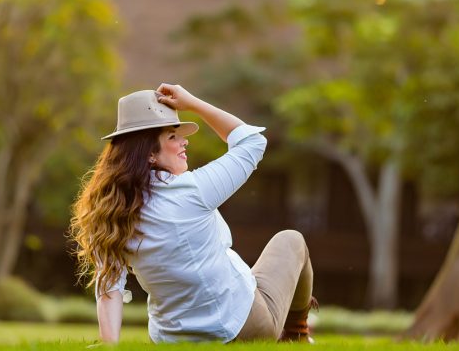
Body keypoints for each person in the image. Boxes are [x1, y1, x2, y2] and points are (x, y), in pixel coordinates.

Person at [70, 84, 316, 344]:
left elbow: (109, 287)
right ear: (150, 154)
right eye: (172, 137)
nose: (184, 141)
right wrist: (193, 103)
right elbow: (252, 141)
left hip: (172, 339)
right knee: (291, 240)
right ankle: (297, 335)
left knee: (244, 274)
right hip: (240, 326)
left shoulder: (110, 212)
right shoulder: (191, 191)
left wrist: (109, 344)